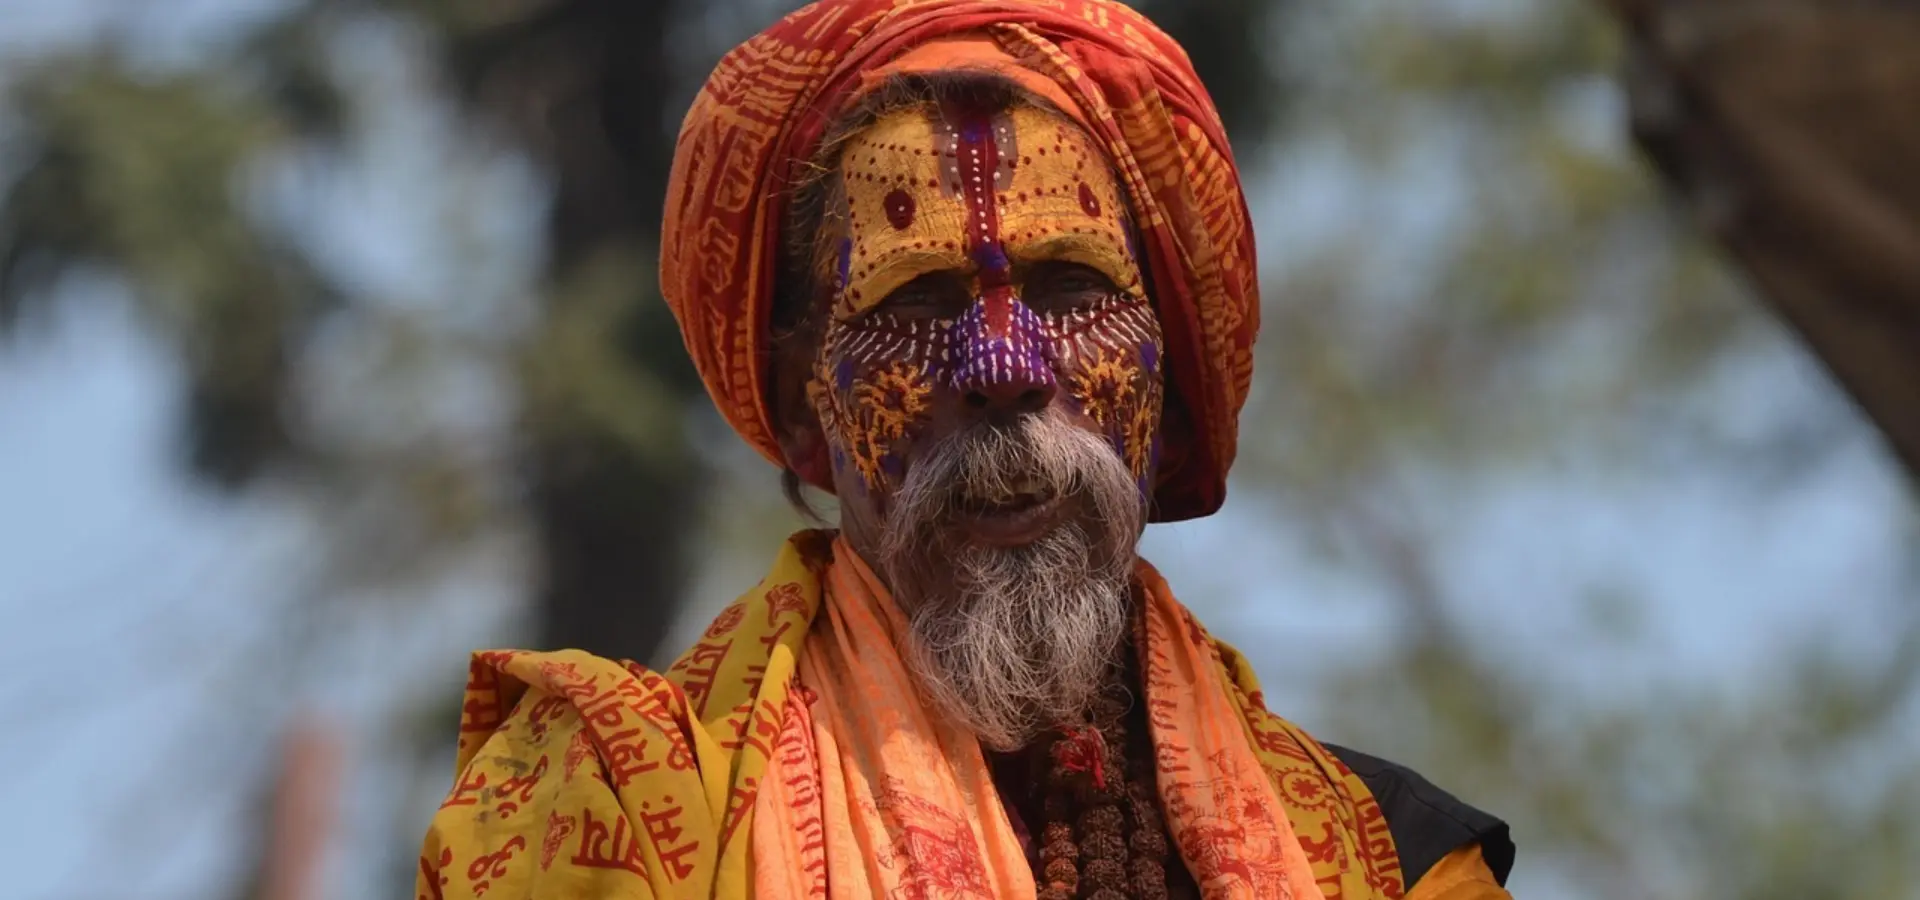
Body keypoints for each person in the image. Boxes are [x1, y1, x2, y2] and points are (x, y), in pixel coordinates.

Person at [417, 1, 1516, 898]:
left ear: (1163, 371)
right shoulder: (606, 810)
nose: (1003, 365)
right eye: (920, 298)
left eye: (1072, 286)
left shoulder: (1394, 864)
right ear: (806, 407)